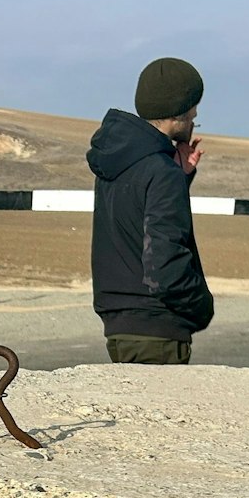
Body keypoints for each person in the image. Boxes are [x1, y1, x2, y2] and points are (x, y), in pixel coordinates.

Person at [88, 57, 212, 364]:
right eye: (193, 112)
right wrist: (202, 309)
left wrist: (180, 177)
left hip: (119, 327)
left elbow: (135, 224)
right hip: (157, 332)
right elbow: (164, 268)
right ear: (179, 113)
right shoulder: (161, 172)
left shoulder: (117, 163)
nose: (195, 119)